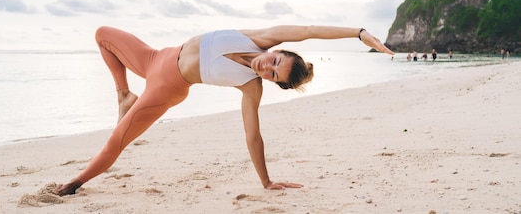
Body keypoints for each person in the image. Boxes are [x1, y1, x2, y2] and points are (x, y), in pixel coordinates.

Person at [53, 25, 393, 196]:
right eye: (275, 61)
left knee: (118, 139)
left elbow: (252, 136)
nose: (266, 67)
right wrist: (358, 33)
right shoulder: (258, 38)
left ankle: (74, 184)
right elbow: (308, 31)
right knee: (102, 35)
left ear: (272, 82)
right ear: (278, 50)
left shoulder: (250, 86)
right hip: (155, 58)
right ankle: (123, 95)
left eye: (273, 74)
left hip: (165, 88)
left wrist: (266, 181)